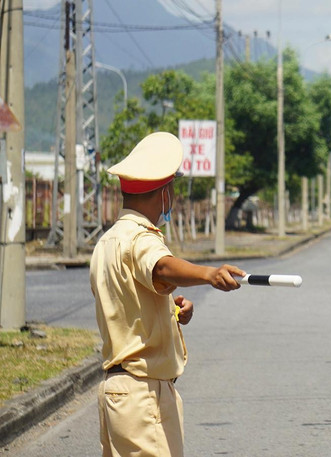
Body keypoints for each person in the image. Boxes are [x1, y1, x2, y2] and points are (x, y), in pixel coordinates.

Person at [90, 132, 245, 457]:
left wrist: (169, 311)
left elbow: (128, 303)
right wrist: (209, 274)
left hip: (117, 393)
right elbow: (161, 267)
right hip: (142, 395)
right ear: (164, 193)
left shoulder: (107, 241)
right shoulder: (141, 237)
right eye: (172, 189)